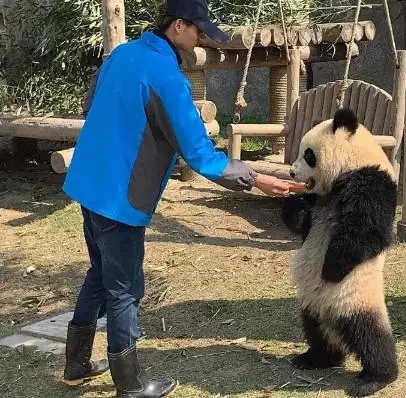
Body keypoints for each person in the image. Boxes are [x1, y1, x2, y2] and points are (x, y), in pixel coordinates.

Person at [61, 0, 290, 396]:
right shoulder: (165, 76)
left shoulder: (122, 54)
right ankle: (130, 385)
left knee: (100, 274)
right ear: (177, 26)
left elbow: (91, 105)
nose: (202, 39)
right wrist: (257, 179)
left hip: (88, 183)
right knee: (125, 290)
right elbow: (200, 155)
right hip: (119, 197)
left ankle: (76, 365)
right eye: (198, 31)